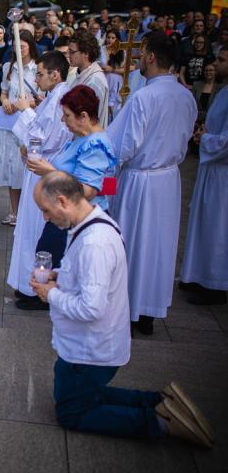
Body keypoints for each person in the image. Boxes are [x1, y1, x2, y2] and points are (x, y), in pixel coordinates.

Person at [29, 171, 213, 449]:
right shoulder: (92, 221)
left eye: (45, 209)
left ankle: (161, 423)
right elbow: (86, 277)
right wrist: (60, 276)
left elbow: (91, 308)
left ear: (63, 201)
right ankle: (160, 401)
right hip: (90, 344)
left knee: (71, 412)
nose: (45, 217)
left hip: (89, 350)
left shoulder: (94, 244)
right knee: (78, 395)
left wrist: (51, 294)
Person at [107, 31, 197, 335]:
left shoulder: (144, 96)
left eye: (141, 52)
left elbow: (124, 147)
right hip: (169, 179)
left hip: (139, 181)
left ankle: (130, 309)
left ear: (151, 57)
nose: (138, 58)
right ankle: (148, 311)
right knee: (159, 245)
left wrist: (106, 180)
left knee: (133, 243)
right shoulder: (186, 96)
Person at [19, 85, 116, 310]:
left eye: (68, 116)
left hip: (77, 216)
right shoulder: (80, 138)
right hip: (64, 213)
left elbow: (90, 190)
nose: (63, 120)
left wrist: (49, 172)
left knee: (61, 261)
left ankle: (57, 301)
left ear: (84, 116)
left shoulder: (96, 143)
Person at [7, 52, 72, 305]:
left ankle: (36, 288)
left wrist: (26, 112)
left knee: (36, 230)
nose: (37, 78)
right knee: (27, 229)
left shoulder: (61, 99)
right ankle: (26, 283)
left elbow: (48, 138)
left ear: (56, 74)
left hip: (47, 171)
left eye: (41, 73)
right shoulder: (53, 97)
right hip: (37, 169)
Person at [180, 50, 228, 306]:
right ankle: (196, 274)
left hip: (223, 174)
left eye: (222, 60)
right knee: (204, 222)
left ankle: (215, 282)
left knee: (218, 226)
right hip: (212, 170)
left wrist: (204, 139)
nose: (216, 64)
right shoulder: (223, 92)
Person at [0, 30, 38, 227]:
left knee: (25, 167)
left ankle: (28, 210)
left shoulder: (37, 68)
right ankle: (14, 210)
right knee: (11, 167)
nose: (21, 49)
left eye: (24, 45)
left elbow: (42, 98)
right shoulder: (9, 67)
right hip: (10, 124)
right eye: (18, 46)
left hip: (28, 122)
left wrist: (25, 104)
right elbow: (3, 92)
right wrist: (6, 101)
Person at [69, 30, 110, 127]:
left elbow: (87, 120)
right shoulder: (81, 73)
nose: (69, 55)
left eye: (72, 52)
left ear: (86, 53)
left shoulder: (94, 81)